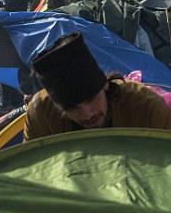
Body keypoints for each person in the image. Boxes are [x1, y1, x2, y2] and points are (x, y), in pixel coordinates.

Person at [23, 32, 171, 140]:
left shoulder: (146, 107)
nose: (86, 114)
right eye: (72, 108)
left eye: (91, 99)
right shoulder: (41, 114)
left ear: (105, 84)